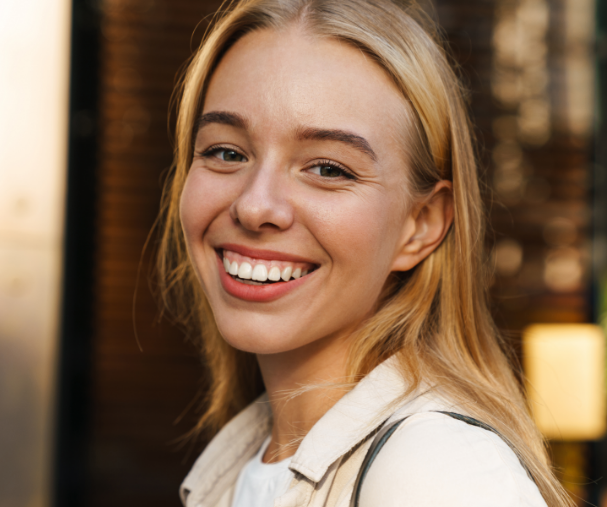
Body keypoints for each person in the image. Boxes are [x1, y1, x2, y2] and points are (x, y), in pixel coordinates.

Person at [156, 0, 573, 505]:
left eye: (329, 168)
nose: (254, 205)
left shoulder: (436, 471)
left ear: (420, 226)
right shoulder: (245, 464)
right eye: (226, 152)